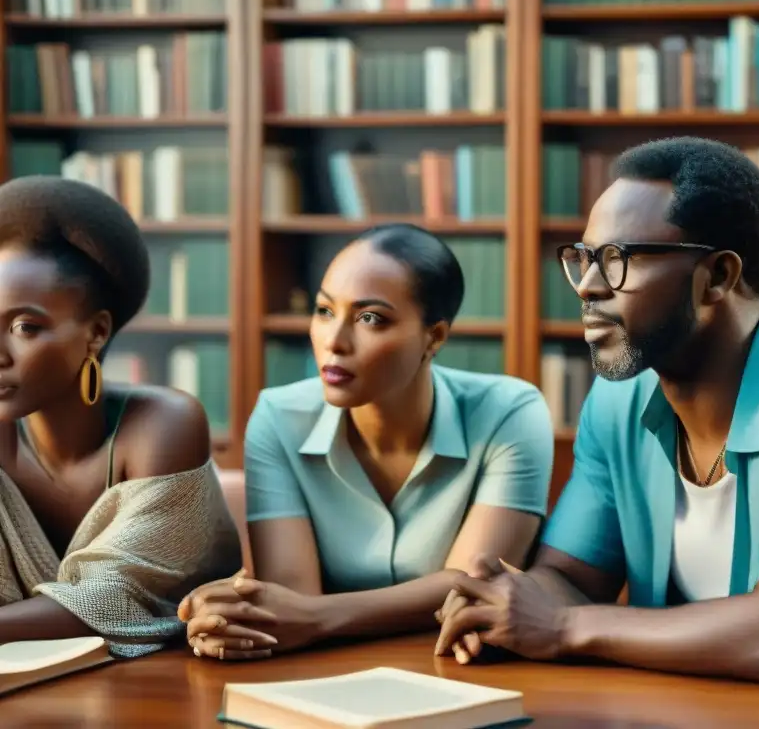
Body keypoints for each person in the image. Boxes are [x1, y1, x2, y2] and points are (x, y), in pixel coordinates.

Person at [434, 137, 759, 729]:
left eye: (620, 259)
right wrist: (501, 608)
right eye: (584, 257)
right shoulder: (619, 401)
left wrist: (558, 625)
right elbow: (572, 578)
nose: (588, 286)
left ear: (717, 277)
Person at [179, 222, 553, 660]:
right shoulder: (278, 418)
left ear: (433, 338)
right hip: (323, 672)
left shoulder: (510, 412)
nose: (334, 341)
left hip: (458, 667)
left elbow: (476, 585)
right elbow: (291, 600)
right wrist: (228, 619)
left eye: (369, 318)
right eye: (323, 311)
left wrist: (315, 618)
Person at [0, 175, 241, 656]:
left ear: (96, 332)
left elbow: (113, 599)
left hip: (166, 697)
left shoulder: (163, 426)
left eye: (25, 327)